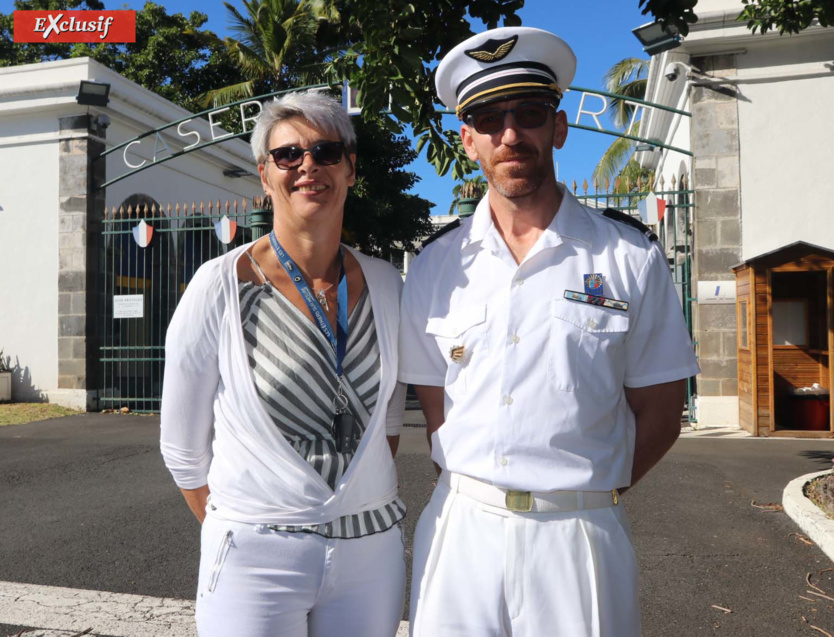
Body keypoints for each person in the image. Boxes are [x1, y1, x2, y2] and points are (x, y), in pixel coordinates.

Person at [399, 27, 700, 637]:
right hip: (462, 535)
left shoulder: (627, 256)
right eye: (487, 118)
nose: (510, 135)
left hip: (579, 539)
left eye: (529, 113)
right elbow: (437, 411)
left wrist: (579, 491)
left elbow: (662, 414)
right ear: (468, 140)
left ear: (557, 127)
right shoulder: (435, 266)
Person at [160, 89, 407, 637]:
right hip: (256, 554)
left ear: (350, 170)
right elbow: (182, 447)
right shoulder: (220, 285)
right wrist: (254, 524)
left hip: (371, 553)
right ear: (265, 175)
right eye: (288, 155)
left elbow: (388, 421)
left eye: (326, 152)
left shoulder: (388, 285)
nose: (308, 166)